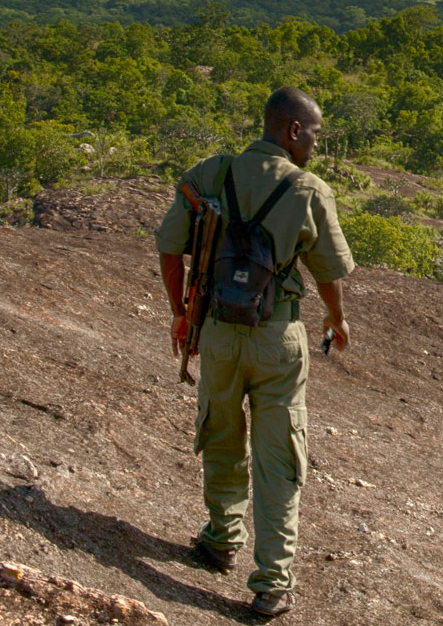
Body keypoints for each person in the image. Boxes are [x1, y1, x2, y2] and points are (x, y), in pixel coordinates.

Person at [155, 86, 354, 617]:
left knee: (220, 433)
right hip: (278, 339)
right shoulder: (308, 189)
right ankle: (271, 582)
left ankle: (221, 539)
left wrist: (180, 310)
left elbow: (169, 244)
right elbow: (330, 272)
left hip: (217, 331)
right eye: (313, 133)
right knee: (278, 457)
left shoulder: (210, 174)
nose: (316, 142)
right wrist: (336, 319)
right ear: (292, 131)